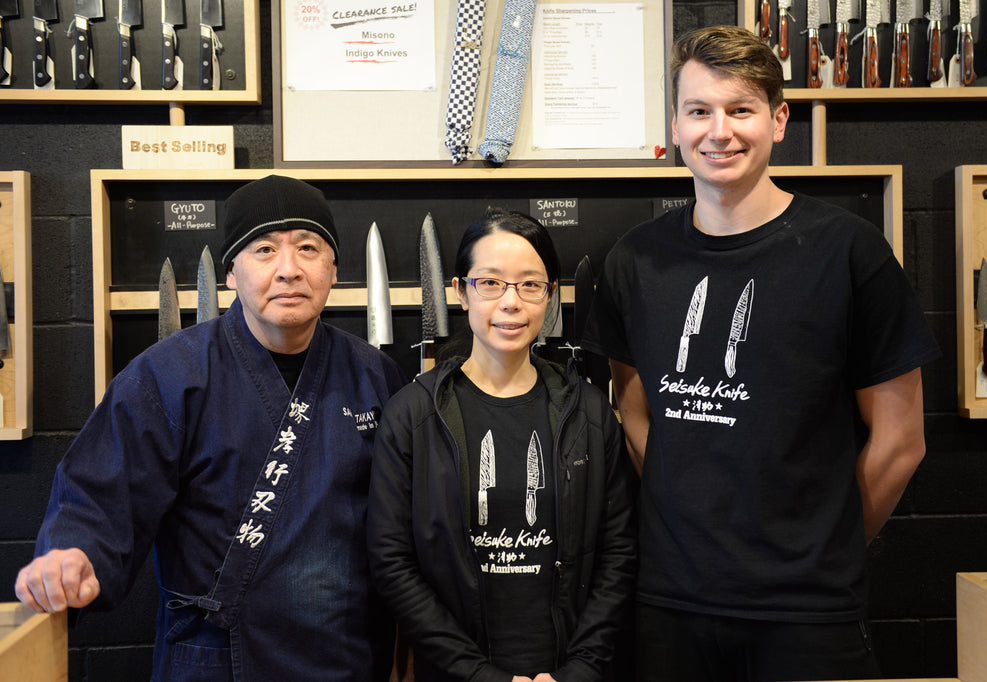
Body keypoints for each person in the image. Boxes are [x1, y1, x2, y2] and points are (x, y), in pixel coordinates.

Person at [582, 25, 942, 682]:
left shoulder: (849, 253)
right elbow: (636, 415)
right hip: (672, 606)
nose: (719, 131)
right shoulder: (633, 262)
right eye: (700, 111)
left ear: (778, 120)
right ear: (678, 123)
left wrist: (824, 549)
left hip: (809, 617)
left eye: (740, 109)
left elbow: (902, 440)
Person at [15, 175, 407, 681]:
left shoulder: (375, 375)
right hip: (215, 658)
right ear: (230, 274)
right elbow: (101, 493)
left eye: (308, 249)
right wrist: (72, 553)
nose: (289, 270)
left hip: (346, 657)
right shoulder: (168, 376)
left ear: (333, 269)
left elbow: (405, 521)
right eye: (265, 250)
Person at [367, 207, 636, 682]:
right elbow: (392, 562)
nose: (511, 302)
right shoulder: (413, 414)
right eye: (490, 283)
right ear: (460, 292)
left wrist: (581, 669)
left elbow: (618, 553)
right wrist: (476, 675)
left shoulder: (589, 412)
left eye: (530, 284)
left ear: (549, 296)